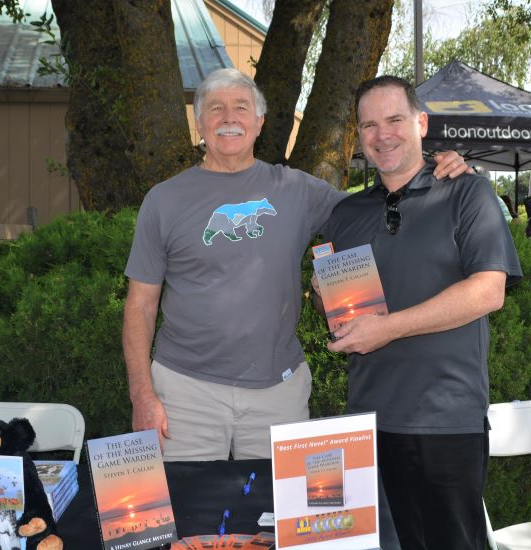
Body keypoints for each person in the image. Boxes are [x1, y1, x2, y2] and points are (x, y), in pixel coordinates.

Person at [122, 68, 469, 462]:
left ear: (259, 122)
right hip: (184, 392)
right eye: (216, 109)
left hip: (278, 394)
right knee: (187, 513)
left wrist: (437, 174)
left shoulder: (295, 189)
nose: (229, 118)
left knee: (279, 520)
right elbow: (140, 305)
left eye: (241, 107)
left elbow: (379, 206)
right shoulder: (164, 200)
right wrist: (142, 394)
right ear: (199, 123)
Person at [319, 75, 522, 550]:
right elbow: (339, 304)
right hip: (368, 421)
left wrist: (385, 329)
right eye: (369, 124)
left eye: (394, 120)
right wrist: (324, 288)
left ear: (421, 123)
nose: (382, 134)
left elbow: (488, 291)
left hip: (446, 420)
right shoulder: (346, 214)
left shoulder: (469, 194)